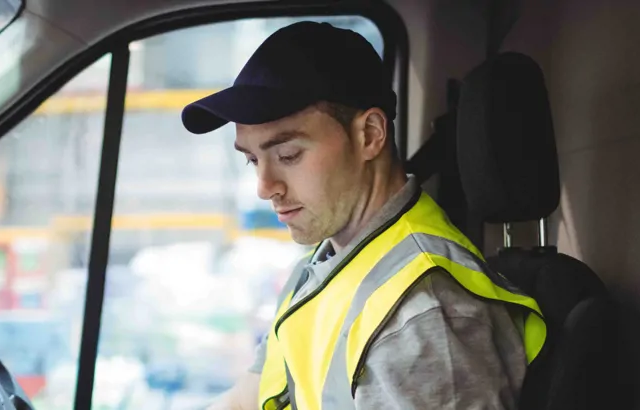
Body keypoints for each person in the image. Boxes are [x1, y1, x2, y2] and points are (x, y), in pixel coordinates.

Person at [181, 21, 547, 409]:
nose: (265, 186)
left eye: (288, 155)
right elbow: (248, 397)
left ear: (370, 135)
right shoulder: (321, 267)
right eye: (253, 160)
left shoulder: (423, 315)